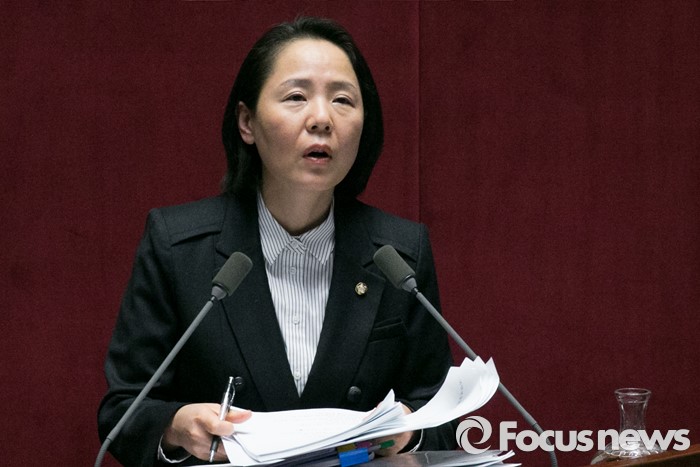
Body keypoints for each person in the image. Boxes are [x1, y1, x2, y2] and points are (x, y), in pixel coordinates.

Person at [98, 16, 457, 466]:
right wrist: (175, 425)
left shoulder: (398, 253)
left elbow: (441, 414)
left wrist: (410, 432)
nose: (322, 119)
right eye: (296, 97)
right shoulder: (178, 245)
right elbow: (123, 410)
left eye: (343, 100)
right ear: (247, 122)